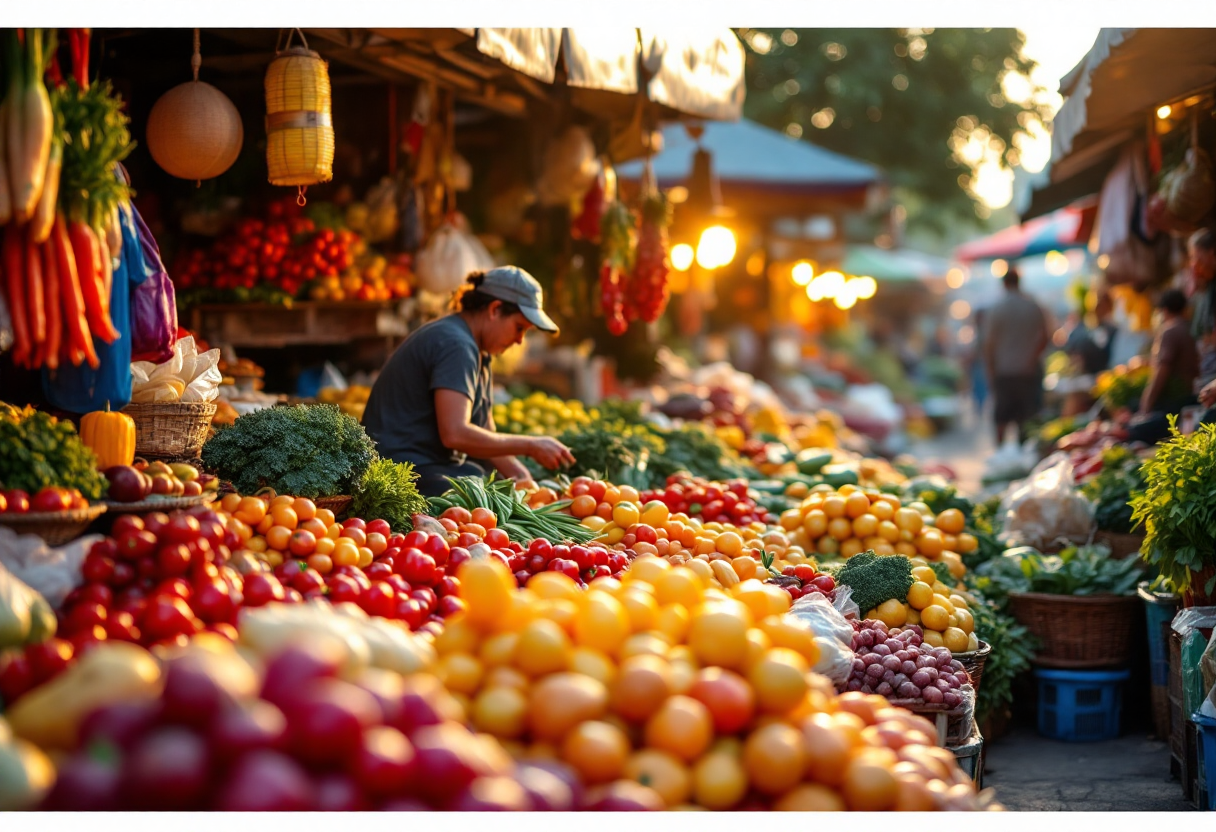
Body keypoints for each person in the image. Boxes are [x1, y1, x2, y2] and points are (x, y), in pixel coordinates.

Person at [362, 267, 576, 496]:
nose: (519, 340)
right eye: (519, 328)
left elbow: (485, 432)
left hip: (428, 466)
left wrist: (521, 475)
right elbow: (455, 433)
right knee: (480, 486)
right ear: (495, 310)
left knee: (484, 477)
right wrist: (531, 446)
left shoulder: (477, 350)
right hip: (399, 472)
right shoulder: (456, 345)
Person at [983, 267, 1049, 445]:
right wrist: (1032, 358)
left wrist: (990, 371)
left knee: (1001, 418)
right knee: (1026, 417)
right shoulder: (1033, 306)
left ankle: (1001, 452)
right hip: (1028, 371)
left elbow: (989, 344)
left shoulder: (996, 309)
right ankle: (1025, 451)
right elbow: (1045, 337)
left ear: (1004, 284)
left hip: (1004, 371)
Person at [1128, 289, 1199, 444]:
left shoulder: (1170, 331)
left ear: (1164, 310)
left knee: (1134, 430)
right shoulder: (1190, 328)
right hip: (1190, 398)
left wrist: (1145, 407)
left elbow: (1162, 370)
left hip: (1173, 405)